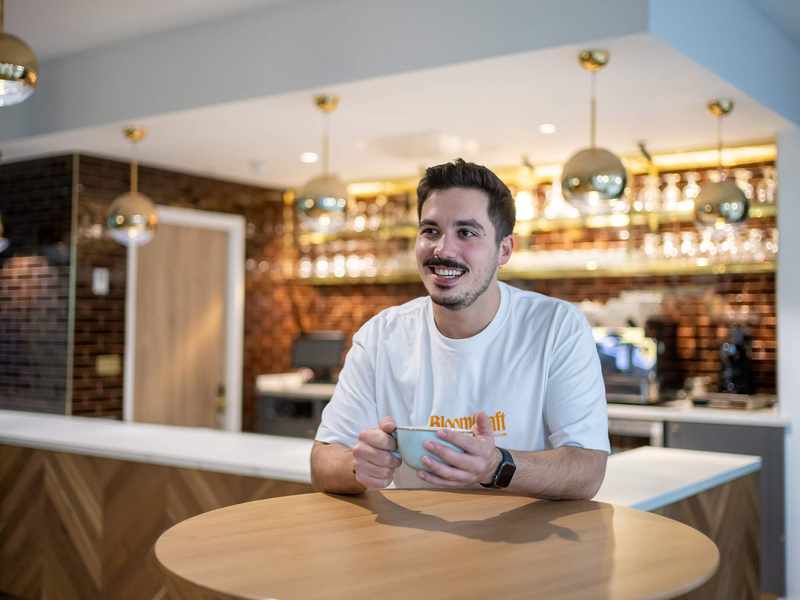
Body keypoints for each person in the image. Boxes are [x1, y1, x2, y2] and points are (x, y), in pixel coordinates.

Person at [310, 159, 609, 498]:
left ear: (504, 250)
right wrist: (359, 465)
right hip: (413, 542)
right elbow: (323, 461)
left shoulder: (556, 326)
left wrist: (497, 466)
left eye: (466, 233)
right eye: (430, 231)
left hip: (524, 543)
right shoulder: (381, 336)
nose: (443, 249)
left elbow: (588, 469)